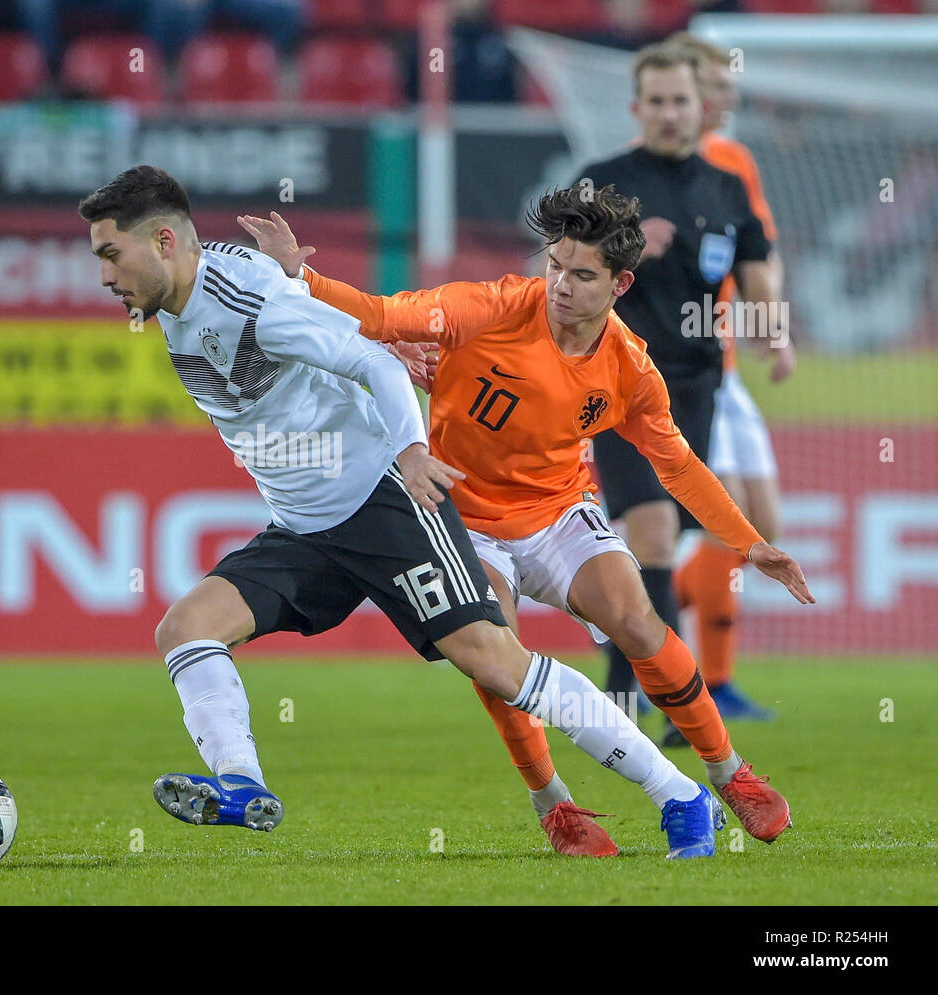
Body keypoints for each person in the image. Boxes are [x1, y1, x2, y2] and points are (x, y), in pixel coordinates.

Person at [80, 165, 727, 858]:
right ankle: (241, 785)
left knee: (496, 663)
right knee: (185, 628)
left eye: (111, 255)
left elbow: (375, 364)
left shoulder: (248, 302)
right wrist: (302, 276)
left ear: (165, 241)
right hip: (307, 525)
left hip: (383, 501)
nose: (105, 276)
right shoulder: (186, 298)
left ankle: (680, 795)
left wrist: (412, 452)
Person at [237, 185, 810, 856]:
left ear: (621, 283)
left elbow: (677, 464)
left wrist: (749, 543)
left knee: (636, 619)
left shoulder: (628, 367)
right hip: (465, 519)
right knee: (494, 657)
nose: (561, 284)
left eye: (582, 274)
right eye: (556, 265)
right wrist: (300, 276)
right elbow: (382, 315)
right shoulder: (487, 306)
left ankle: (726, 771)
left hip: (560, 511)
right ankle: (555, 804)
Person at [572, 44, 786, 716]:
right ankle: (667, 699)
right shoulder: (604, 182)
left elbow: (756, 267)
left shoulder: (726, 188)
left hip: (695, 385)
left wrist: (772, 329)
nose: (668, 113)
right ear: (638, 109)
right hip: (619, 378)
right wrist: (617, 246)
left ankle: (622, 680)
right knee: (656, 528)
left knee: (666, 540)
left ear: (703, 108)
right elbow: (555, 270)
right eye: (656, 102)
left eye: (680, 101)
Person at [664, 32, 792, 728]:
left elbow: (757, 258)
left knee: (763, 528)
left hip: (726, 366)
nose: (729, 102)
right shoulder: (652, 172)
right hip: (678, 374)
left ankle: (639, 604)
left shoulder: (734, 163)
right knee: (731, 517)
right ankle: (710, 677)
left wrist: (773, 325)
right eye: (720, 88)